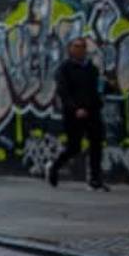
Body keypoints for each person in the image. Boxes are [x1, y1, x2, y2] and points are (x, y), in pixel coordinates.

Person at [47, 37, 109, 191]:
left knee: (96, 144)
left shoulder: (91, 69)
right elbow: (63, 92)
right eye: (76, 46)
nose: (79, 49)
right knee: (74, 147)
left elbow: (97, 89)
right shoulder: (65, 69)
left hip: (92, 112)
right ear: (70, 49)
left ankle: (95, 179)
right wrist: (75, 109)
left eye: (82, 47)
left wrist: (107, 89)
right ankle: (54, 168)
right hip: (73, 114)